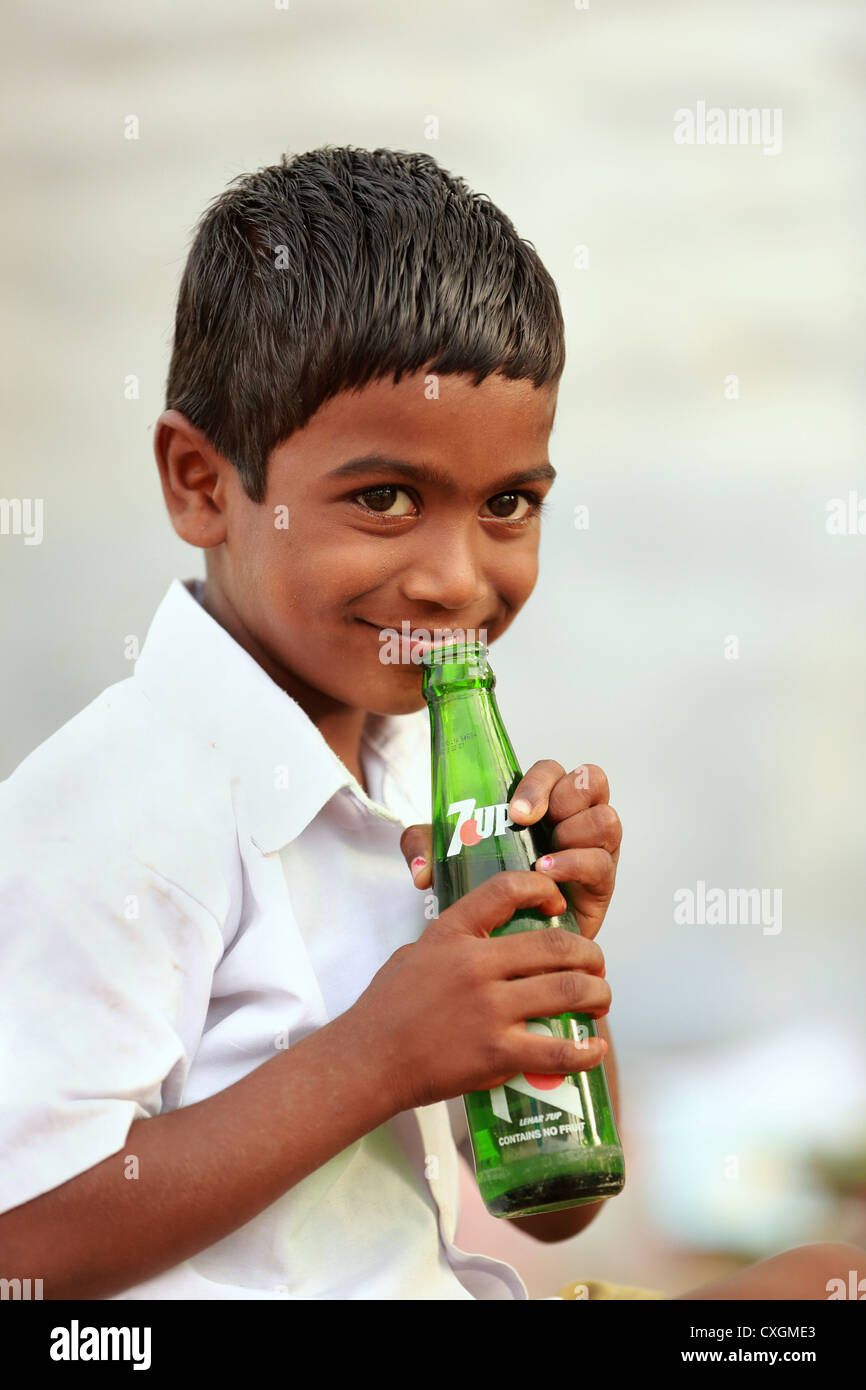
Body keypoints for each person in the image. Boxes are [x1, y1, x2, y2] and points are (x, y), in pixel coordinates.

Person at [0, 146, 861, 1301]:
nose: (454, 579)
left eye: (507, 504)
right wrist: (377, 1055)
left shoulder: (408, 777)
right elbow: (26, 1252)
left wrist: (537, 987)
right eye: (384, 499)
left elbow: (554, 1211)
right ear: (203, 482)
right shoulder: (117, 804)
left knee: (824, 1285)